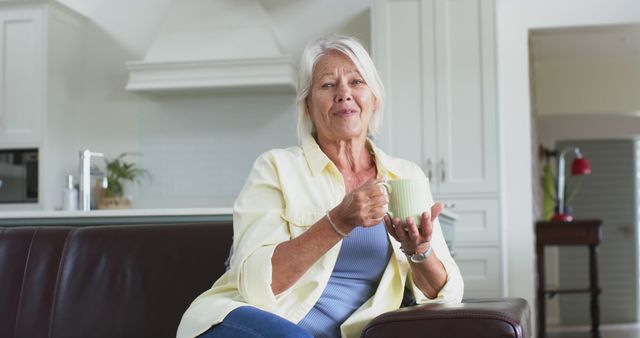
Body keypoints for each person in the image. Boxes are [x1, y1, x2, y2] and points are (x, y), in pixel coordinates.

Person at [177, 34, 463, 338]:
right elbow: (256, 286)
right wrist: (338, 221)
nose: (344, 94)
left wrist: (418, 251)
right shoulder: (276, 167)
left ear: (374, 99)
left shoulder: (404, 175)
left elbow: (445, 294)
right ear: (308, 106)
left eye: (356, 82)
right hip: (251, 323)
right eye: (327, 85)